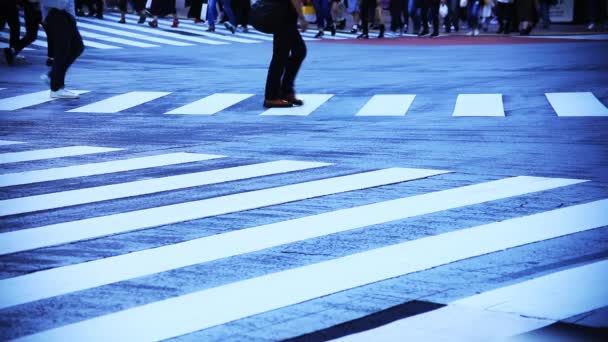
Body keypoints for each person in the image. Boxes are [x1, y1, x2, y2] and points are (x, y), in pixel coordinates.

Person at [264, 0, 308, 108]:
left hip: (285, 17)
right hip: (283, 17)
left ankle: (285, 90)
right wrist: (302, 18)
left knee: (298, 51)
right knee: (280, 56)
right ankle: (271, 96)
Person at [39, 0, 84, 99]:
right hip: (57, 13)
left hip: (66, 14)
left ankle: (53, 76)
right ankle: (56, 88)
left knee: (77, 47)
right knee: (63, 50)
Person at [4, 0, 43, 65]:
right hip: (38, 7)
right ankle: (13, 50)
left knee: (30, 34)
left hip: (30, 7)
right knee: (31, 35)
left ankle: (13, 50)